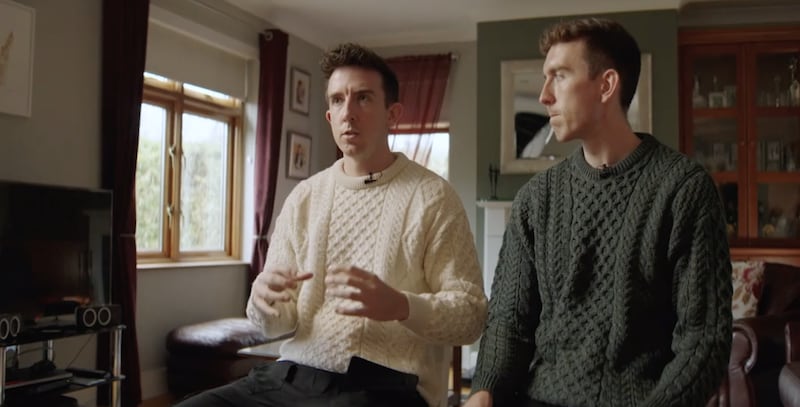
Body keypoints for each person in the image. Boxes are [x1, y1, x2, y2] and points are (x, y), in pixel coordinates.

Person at [175, 43, 487, 407]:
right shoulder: (304, 198)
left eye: (364, 99)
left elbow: (471, 316)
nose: (348, 113)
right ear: (328, 116)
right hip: (291, 374)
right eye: (338, 100)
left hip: (388, 385)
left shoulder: (433, 197)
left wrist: (402, 306)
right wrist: (263, 303)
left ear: (393, 114)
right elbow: (275, 325)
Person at [464, 17, 732, 407]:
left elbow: (703, 338)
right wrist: (483, 392)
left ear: (606, 85)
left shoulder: (682, 189)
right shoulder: (535, 199)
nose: (543, 96)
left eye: (558, 76)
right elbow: (509, 321)